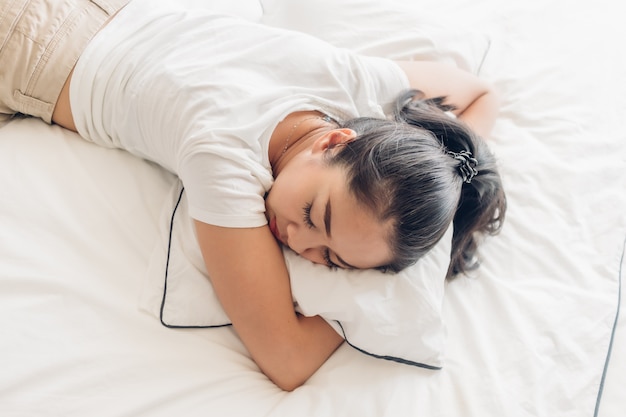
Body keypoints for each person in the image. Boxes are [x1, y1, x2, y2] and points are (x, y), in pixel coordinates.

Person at [0, 0, 506, 390]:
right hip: (28, 43)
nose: (295, 239)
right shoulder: (223, 159)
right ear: (333, 141)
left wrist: (445, 197)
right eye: (314, 213)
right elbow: (287, 360)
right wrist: (389, 288)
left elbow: (477, 94)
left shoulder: (353, 83)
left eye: (329, 260)